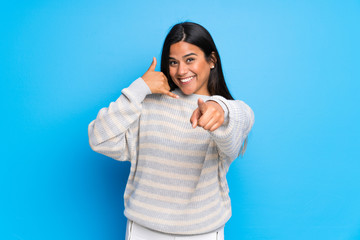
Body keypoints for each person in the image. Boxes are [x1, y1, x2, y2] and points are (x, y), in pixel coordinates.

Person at [88, 22, 254, 240]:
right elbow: (99, 139)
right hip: (143, 230)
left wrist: (220, 108)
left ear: (212, 60)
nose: (181, 71)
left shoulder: (225, 114)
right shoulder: (148, 104)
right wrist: (138, 89)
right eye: (173, 62)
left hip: (203, 233)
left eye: (190, 59)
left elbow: (242, 120)